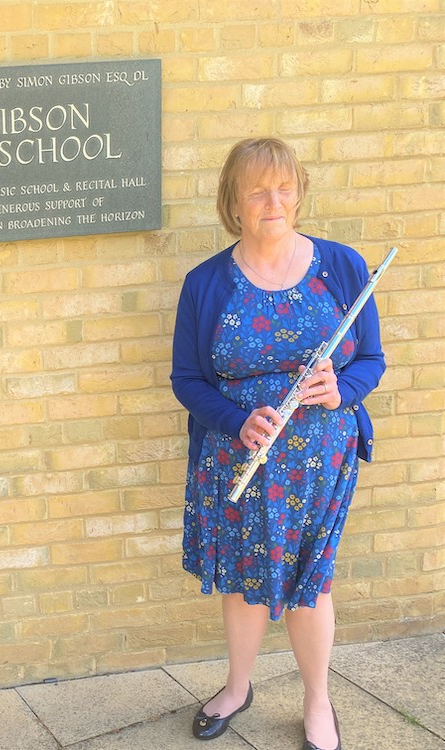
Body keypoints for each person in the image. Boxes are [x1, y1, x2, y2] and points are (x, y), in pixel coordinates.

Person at [171, 137, 385, 750]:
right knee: (244, 581)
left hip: (322, 461)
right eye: (258, 190)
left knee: (309, 585)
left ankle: (318, 703)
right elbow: (186, 379)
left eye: (285, 187)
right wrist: (235, 421)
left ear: (300, 193)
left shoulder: (342, 266)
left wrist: (341, 390)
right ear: (233, 203)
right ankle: (238, 688)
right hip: (240, 457)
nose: (274, 200)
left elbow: (371, 359)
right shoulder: (205, 283)